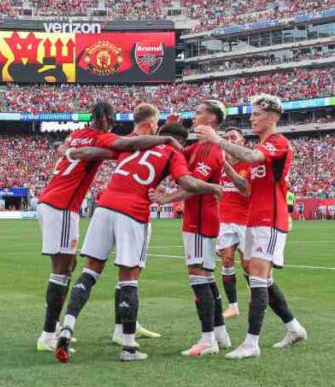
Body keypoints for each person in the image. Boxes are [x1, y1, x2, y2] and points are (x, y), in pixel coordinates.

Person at [55, 113, 222, 363]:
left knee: (90, 272)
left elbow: (95, 152)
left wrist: (69, 152)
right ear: (181, 142)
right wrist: (213, 187)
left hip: (104, 206)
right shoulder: (174, 153)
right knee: (128, 278)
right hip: (132, 212)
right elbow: (187, 181)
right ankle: (129, 347)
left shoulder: (133, 147)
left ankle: (67, 327)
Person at [35, 101, 183, 353]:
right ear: (105, 120)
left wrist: (69, 152)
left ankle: (61, 328)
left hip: (52, 200)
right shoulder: (103, 137)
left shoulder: (77, 135)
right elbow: (126, 144)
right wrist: (164, 141)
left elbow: (67, 148)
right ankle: (49, 334)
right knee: (62, 271)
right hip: (62, 204)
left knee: (70, 266)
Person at [195, 94, 307, 360]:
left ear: (270, 117)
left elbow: (253, 156)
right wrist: (227, 167)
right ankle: (294, 328)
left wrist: (217, 140)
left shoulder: (277, 143)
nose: (251, 118)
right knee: (261, 278)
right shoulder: (263, 146)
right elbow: (246, 189)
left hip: (270, 220)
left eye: (256, 114)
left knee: (256, 277)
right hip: (256, 219)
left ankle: (251, 343)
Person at [149, 101, 231, 357]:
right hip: (199, 218)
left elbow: (193, 184)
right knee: (206, 276)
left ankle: (207, 340)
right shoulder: (197, 147)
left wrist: (166, 198)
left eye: (198, 113)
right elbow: (175, 152)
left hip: (200, 219)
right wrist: (170, 129)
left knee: (198, 275)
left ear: (212, 119)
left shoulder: (212, 150)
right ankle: (220, 333)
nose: (194, 118)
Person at [216, 126, 251, 319]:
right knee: (227, 260)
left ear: (242, 142)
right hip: (224, 220)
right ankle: (233, 306)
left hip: (246, 220)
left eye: (233, 137)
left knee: (247, 265)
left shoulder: (250, 164)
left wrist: (226, 168)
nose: (229, 140)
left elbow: (245, 190)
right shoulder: (217, 163)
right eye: (226, 137)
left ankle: (256, 295)